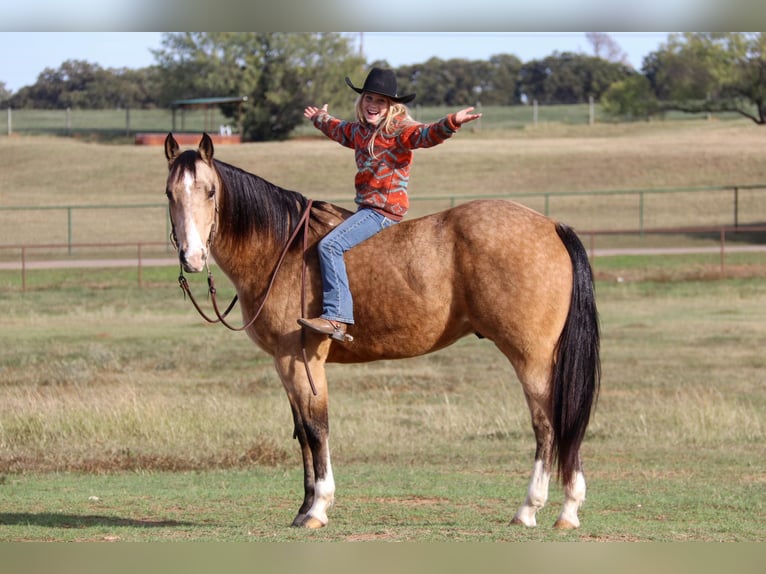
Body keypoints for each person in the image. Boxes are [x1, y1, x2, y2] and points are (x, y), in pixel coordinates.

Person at [298, 67, 482, 342]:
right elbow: (338, 130)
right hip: (366, 209)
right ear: (362, 102)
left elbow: (426, 135)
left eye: (380, 101)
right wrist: (320, 118)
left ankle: (336, 317)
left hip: (382, 211)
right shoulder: (360, 132)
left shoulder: (399, 131)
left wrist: (451, 123)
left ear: (390, 107)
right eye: (369, 99)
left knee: (330, 245)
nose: (373, 105)